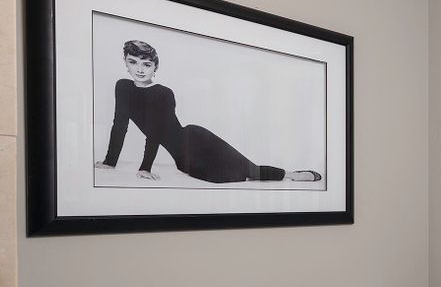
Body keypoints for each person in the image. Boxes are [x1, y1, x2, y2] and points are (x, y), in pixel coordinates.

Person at [95, 40, 322, 184]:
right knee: (227, 177)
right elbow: (119, 125)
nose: (139, 69)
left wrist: (145, 168)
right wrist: (109, 162)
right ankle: (285, 175)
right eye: (133, 62)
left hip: (198, 140)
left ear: (155, 67)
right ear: (125, 63)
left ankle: (292, 175)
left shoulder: (163, 93)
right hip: (184, 159)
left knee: (250, 170)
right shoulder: (122, 87)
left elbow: (155, 132)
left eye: (146, 64)